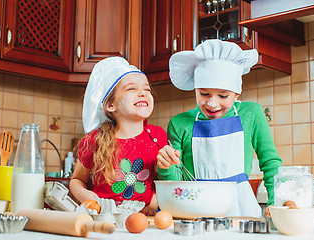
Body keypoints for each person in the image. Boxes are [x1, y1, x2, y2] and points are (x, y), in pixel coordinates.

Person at [156, 40, 282, 217]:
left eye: (223, 95)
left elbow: (270, 162)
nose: (212, 103)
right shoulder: (179, 123)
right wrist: (166, 167)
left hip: (242, 210)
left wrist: (275, 203)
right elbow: (176, 184)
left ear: (237, 93)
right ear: (195, 89)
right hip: (195, 212)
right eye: (204, 93)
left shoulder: (252, 113)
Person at [70, 57, 167, 216]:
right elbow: (77, 180)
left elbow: (164, 178)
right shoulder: (94, 140)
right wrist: (85, 196)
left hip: (144, 220)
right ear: (110, 105)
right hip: (104, 218)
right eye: (131, 89)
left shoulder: (157, 135)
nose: (143, 93)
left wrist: (156, 199)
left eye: (147, 89)